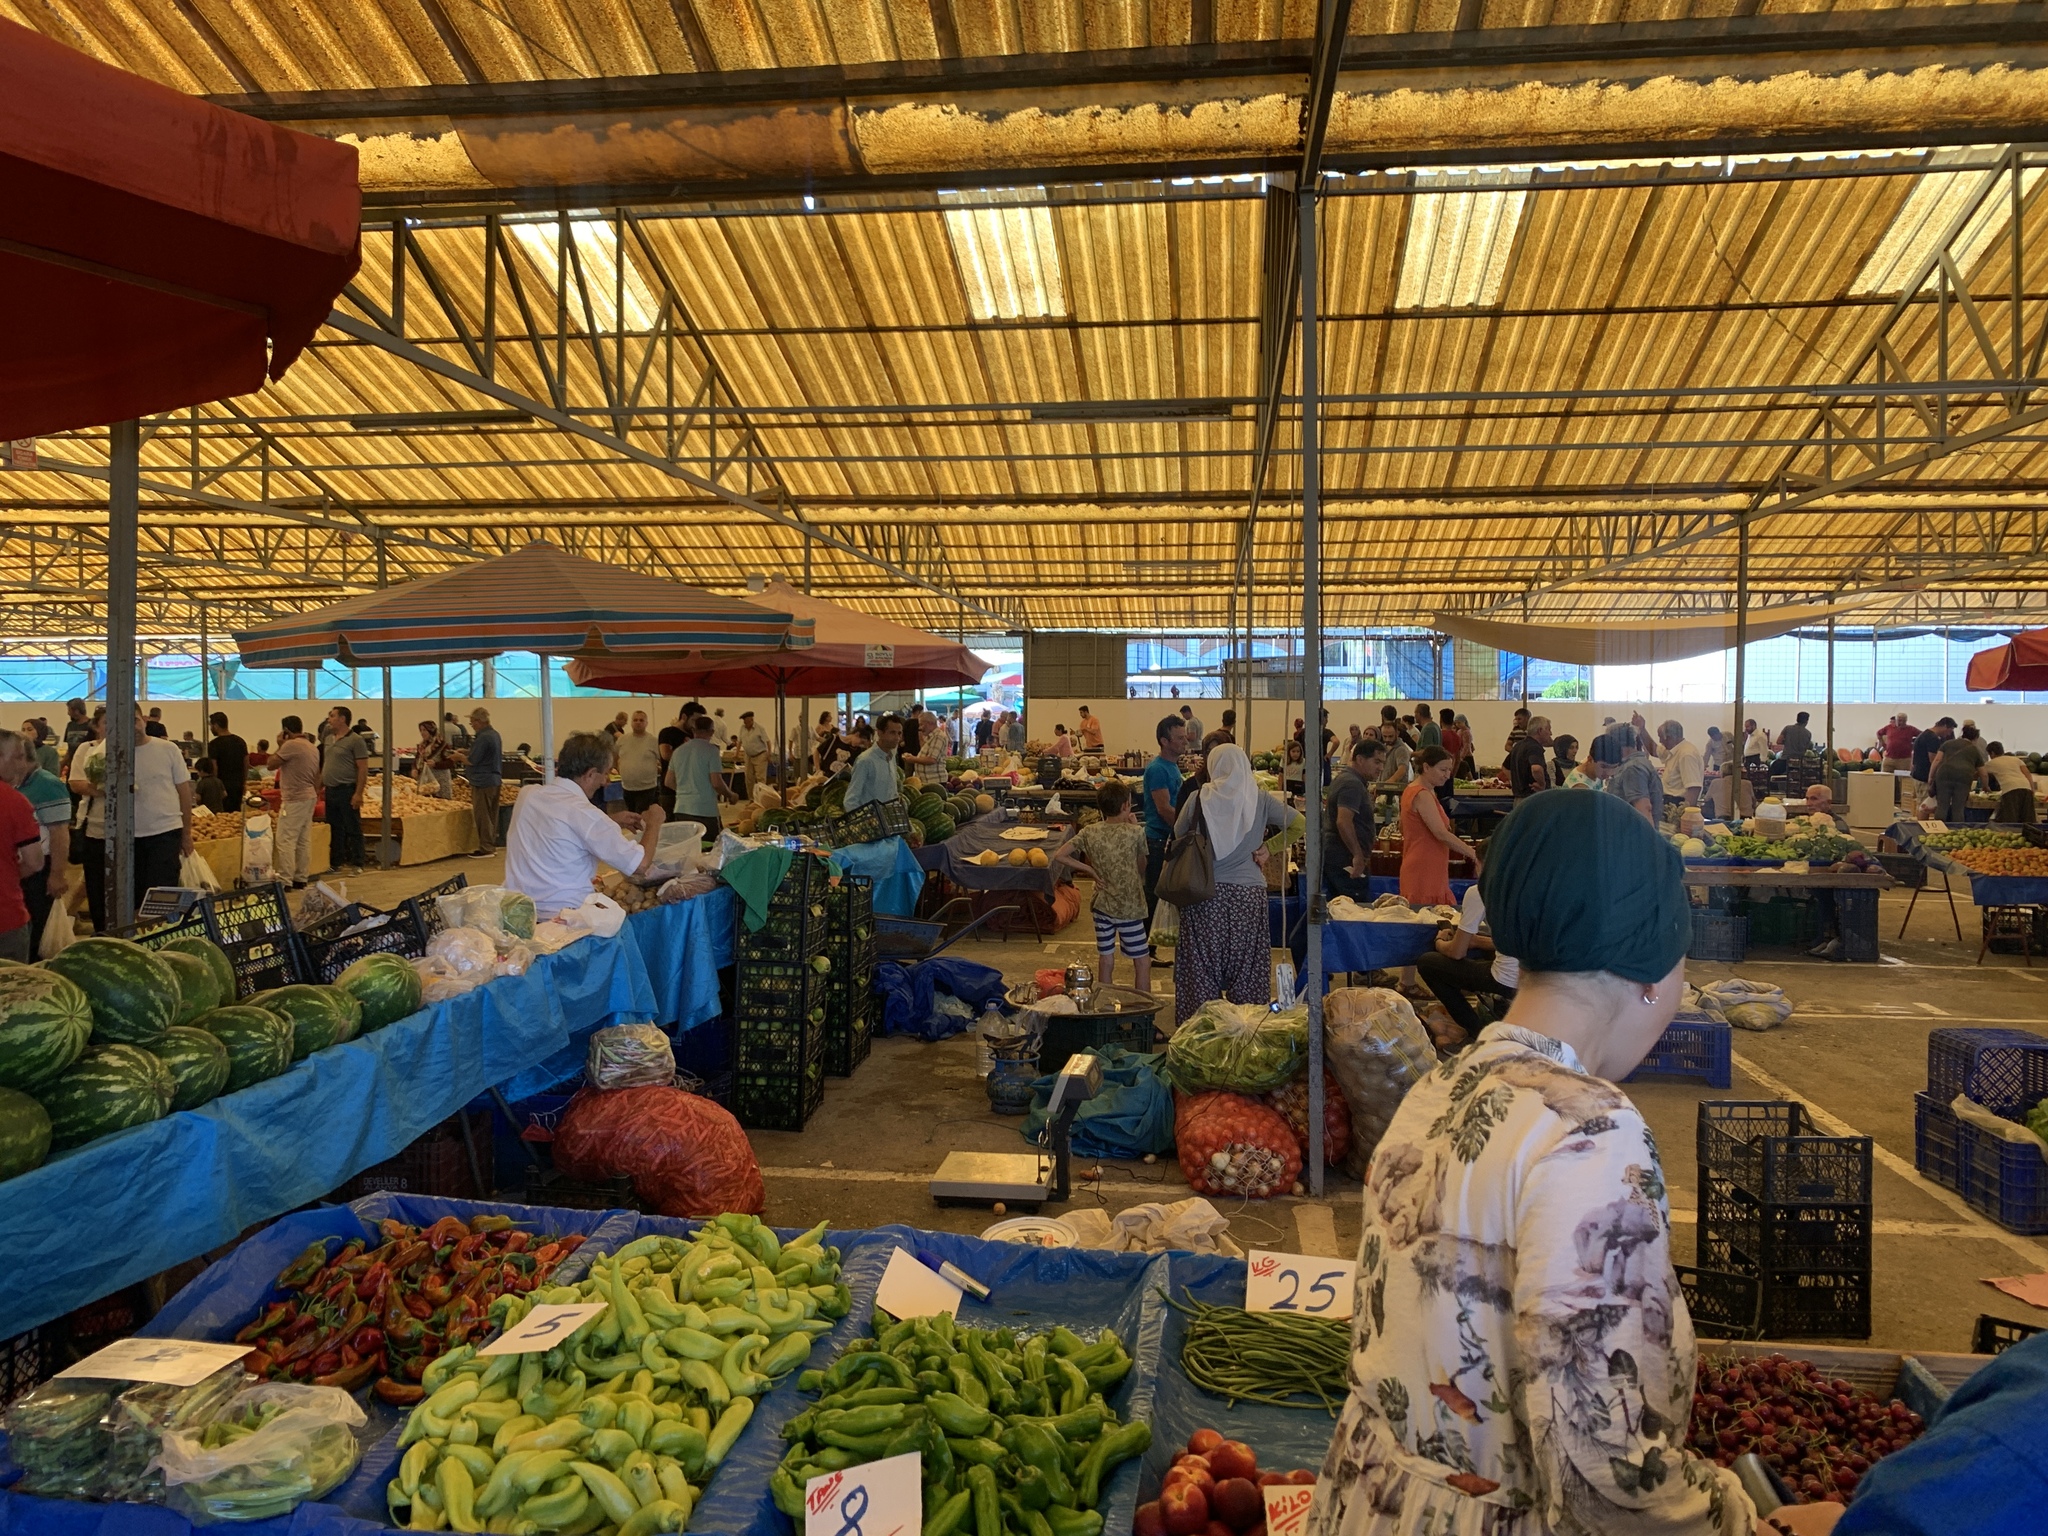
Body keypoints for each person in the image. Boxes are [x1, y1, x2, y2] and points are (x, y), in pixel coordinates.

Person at [1310, 788, 1810, 1536]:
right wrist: (1746, 1522)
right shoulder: (1588, 1132)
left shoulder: (1443, 1083)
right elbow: (1600, 1471)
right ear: (1651, 968)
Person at [1171, 744, 1298, 1027]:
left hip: (1203, 894)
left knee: (1201, 969)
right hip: (1248, 897)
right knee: (1248, 969)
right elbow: (1299, 823)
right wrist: (1269, 847)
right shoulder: (1262, 799)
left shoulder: (1198, 798)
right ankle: (1245, 1035)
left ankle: (1202, 1035)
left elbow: (1179, 833)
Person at [504, 731, 665, 918]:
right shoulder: (588, 816)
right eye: (605, 774)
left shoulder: (528, 795)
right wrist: (654, 823)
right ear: (590, 774)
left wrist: (609, 820)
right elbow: (640, 865)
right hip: (564, 918)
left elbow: (560, 827)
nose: (605, 782)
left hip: (517, 913)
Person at [1055, 780, 1152, 993]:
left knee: (1106, 958)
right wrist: (1134, 827)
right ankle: (1142, 1008)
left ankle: (1104, 1005)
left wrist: (1090, 871)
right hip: (1130, 907)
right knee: (1142, 961)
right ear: (1126, 805)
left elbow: (1060, 855)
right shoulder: (1135, 832)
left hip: (1101, 906)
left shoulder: (1090, 831)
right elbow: (1141, 866)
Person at [1416, 884, 1519, 1049]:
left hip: (1509, 980)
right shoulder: (1534, 885)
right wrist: (1478, 941)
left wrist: (1440, 941)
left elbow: (1457, 952)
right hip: (1546, 978)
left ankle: (1478, 1033)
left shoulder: (1481, 890)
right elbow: (1516, 940)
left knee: (1428, 963)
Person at [0, 730, 69, 956]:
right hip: (7, 914)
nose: (22, 764)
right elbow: (34, 862)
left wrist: (56, 873)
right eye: (17, 757)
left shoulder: (44, 785)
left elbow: (59, 832)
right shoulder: (13, 801)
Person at [1399, 747, 1477, 909]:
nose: (1448, 775)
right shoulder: (1422, 794)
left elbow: (1403, 827)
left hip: (1426, 863)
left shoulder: (1418, 790)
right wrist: (1473, 854)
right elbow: (1441, 833)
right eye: (1443, 769)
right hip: (1425, 868)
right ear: (1426, 767)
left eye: (1449, 770)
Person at [133, 709, 195, 897]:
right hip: (129, 836)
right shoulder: (110, 753)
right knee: (135, 894)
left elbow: (184, 793)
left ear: (144, 720)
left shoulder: (168, 749)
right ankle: (137, 926)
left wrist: (186, 833)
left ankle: (164, 927)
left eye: (135, 720)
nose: (132, 727)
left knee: (163, 893)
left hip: (165, 832)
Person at [1325, 737, 1385, 903]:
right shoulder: (1351, 784)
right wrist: (1357, 855)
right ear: (1360, 759)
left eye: (1382, 763)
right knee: (1351, 910)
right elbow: (1343, 821)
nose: (1380, 768)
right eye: (1377, 762)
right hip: (1346, 860)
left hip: (1341, 857)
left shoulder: (1348, 780)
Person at [1142, 715, 1187, 929]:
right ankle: (1144, 952)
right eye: (1179, 738)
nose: (1185, 742)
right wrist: (1185, 829)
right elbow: (1164, 809)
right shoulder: (1158, 769)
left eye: (1184, 737)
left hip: (1168, 838)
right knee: (1154, 896)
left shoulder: (1172, 766)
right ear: (1164, 741)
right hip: (1158, 841)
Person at [67, 715, 106, 934]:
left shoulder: (134, 748)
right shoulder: (87, 749)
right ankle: (97, 928)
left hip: (135, 828)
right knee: (93, 880)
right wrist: (103, 790)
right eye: (106, 723)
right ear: (96, 727)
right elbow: (75, 783)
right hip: (94, 826)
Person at [320, 705, 369, 876]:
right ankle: (336, 862)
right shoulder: (328, 739)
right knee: (334, 828)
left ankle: (358, 862)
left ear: (342, 719)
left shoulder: (355, 740)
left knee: (352, 827)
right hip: (330, 790)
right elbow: (326, 764)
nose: (329, 719)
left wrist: (358, 793)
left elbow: (362, 768)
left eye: (332, 716)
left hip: (347, 790)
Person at [272, 717, 319, 887]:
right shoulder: (312, 747)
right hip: (309, 796)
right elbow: (317, 774)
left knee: (285, 839)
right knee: (303, 839)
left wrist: (279, 744)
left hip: (294, 798)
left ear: (286, 730)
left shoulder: (291, 745)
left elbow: (271, 764)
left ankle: (285, 880)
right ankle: (301, 877)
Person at [668, 713, 730, 825]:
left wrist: (684, 792)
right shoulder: (712, 751)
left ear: (693, 730)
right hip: (705, 810)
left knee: (689, 842)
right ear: (712, 732)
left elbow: (668, 781)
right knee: (710, 842)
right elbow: (716, 783)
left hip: (681, 809)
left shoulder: (678, 751)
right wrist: (730, 795)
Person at [461, 708, 503, 858]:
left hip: (482, 781)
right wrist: (467, 751)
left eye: (472, 721)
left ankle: (485, 847)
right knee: (492, 815)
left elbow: (472, 761)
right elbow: (481, 755)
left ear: (479, 722)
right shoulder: (494, 735)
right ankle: (490, 844)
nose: (471, 724)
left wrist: (458, 757)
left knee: (483, 815)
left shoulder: (483, 737)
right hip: (494, 780)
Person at [1929, 723, 1989, 824]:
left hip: (1944, 775)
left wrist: (1931, 777)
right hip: (1964, 777)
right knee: (1958, 807)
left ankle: (1938, 830)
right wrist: (1985, 786)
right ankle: (1956, 831)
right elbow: (1983, 773)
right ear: (1975, 738)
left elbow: (1937, 760)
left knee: (1942, 805)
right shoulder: (1974, 750)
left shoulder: (1947, 744)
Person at [846, 713, 904, 812]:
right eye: (892, 733)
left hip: (888, 820)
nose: (897, 738)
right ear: (880, 733)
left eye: (899, 733)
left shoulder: (891, 757)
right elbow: (850, 799)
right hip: (871, 821)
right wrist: (862, 822)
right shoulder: (865, 760)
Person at [1606, 723, 1663, 822]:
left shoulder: (1632, 768)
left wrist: (1648, 837)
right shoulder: (1637, 764)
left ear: (1615, 743)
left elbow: (1644, 810)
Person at [612, 709, 663, 813]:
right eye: (635, 720)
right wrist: (617, 768)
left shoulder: (653, 741)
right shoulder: (622, 740)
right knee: (632, 818)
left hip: (647, 788)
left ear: (646, 723)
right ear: (631, 723)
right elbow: (614, 755)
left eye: (641, 720)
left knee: (642, 817)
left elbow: (662, 760)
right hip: (627, 787)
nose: (638, 722)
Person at [1985, 740, 2038, 824]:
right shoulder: (2015, 759)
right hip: (2026, 788)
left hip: (2010, 790)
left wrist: (1985, 786)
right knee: (2027, 819)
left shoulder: (1991, 763)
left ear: (1992, 753)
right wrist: (2032, 789)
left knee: (2010, 819)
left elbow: (1980, 774)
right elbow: (2027, 773)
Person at [1660, 719, 1705, 811]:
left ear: (1669, 738)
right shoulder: (1675, 750)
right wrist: (1642, 730)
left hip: (1678, 804)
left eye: (1661, 737)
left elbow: (1694, 788)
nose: (1660, 741)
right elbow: (1653, 750)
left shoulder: (1686, 754)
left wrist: (1684, 814)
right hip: (1671, 803)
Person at [1911, 716, 1955, 805]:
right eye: (1949, 731)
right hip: (1924, 776)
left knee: (1922, 803)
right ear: (1944, 726)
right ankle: (1923, 820)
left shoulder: (1924, 734)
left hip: (1918, 774)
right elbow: (1934, 760)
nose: (1948, 735)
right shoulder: (1932, 738)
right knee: (1925, 805)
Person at [1506, 714, 1552, 799]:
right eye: (1549, 729)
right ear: (1540, 731)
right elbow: (1536, 768)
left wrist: (1516, 782)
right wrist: (1542, 785)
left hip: (1518, 797)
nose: (1550, 733)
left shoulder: (1518, 746)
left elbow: (1505, 767)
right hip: (1532, 798)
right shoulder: (1534, 747)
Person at [206, 711, 248, 796]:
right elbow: (246, 764)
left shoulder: (214, 744)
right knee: (236, 809)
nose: (210, 728)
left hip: (222, 787)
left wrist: (215, 787)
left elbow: (214, 767)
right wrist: (244, 783)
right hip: (238, 786)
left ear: (216, 725)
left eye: (211, 725)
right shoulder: (240, 741)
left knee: (221, 809)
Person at [414, 720, 452, 798]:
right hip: (426, 783)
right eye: (421, 730)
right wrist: (414, 768)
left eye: (424, 730)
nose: (422, 733)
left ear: (431, 731)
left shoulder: (442, 745)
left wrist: (436, 764)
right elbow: (417, 760)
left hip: (440, 782)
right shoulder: (422, 746)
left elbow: (450, 762)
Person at [736, 711, 771, 795]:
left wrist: (769, 753)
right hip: (748, 756)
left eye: (747, 722)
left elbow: (768, 741)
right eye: (744, 722)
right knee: (748, 778)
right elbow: (739, 741)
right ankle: (751, 798)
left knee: (760, 778)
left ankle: (761, 797)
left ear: (752, 720)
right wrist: (736, 753)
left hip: (760, 755)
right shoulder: (742, 728)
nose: (745, 723)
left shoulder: (760, 728)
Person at [1374, 720, 1412, 791]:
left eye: (1390, 736)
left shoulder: (1401, 749)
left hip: (1395, 791)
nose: (1387, 739)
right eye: (1385, 736)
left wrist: (1388, 783)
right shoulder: (1384, 748)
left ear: (1397, 733)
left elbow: (1402, 769)